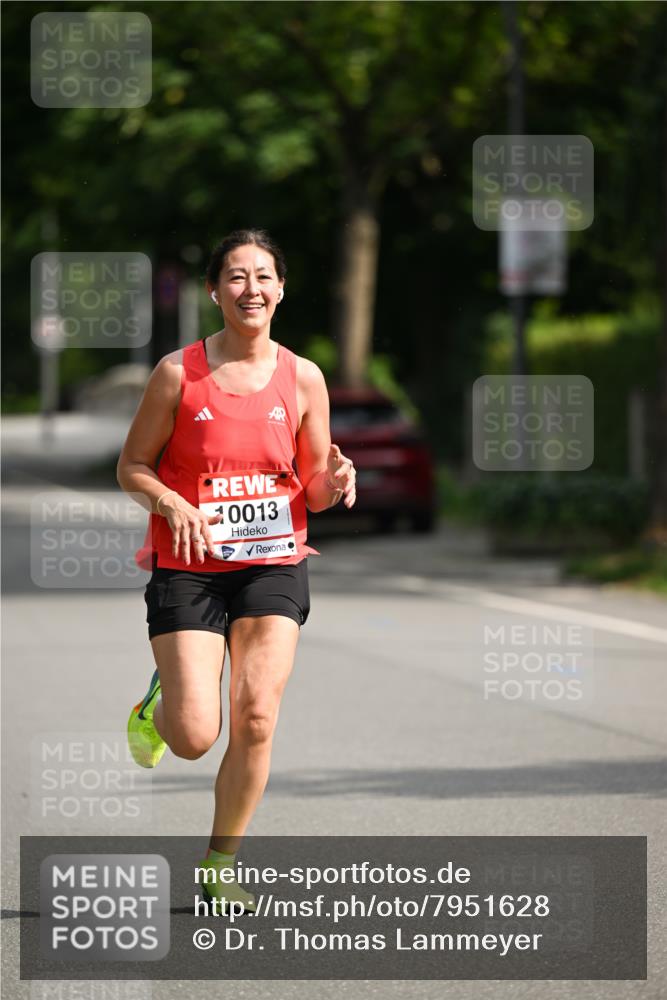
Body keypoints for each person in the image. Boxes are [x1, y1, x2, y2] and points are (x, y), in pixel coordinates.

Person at [117, 229, 356, 910]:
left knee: (254, 717)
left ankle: (220, 862)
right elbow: (131, 465)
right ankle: (158, 702)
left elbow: (309, 483)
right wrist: (168, 500)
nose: (250, 289)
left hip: (273, 562)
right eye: (235, 277)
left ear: (281, 288)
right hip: (188, 564)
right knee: (195, 737)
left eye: (263, 277)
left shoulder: (303, 376)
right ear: (214, 291)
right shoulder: (177, 373)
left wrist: (334, 479)